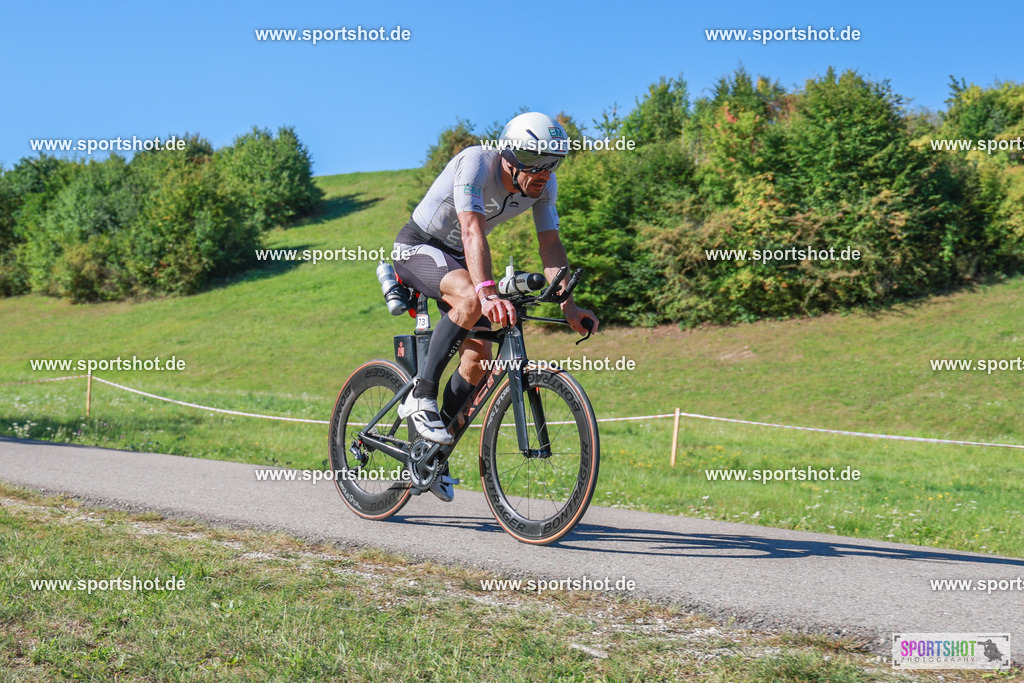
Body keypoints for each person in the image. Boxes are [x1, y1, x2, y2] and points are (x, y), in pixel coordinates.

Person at [392, 111, 600, 501]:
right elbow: (471, 229)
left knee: (477, 364)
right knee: (472, 299)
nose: (546, 172)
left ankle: (431, 454)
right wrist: (487, 293)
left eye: (554, 162)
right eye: (537, 161)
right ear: (511, 155)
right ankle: (422, 394)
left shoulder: (544, 187)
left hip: (461, 258)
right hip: (419, 247)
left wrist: (569, 307)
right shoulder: (476, 162)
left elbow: (550, 246)